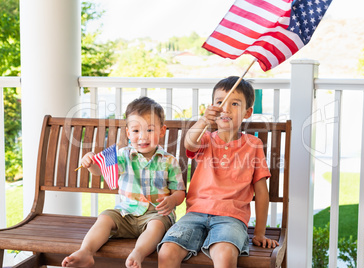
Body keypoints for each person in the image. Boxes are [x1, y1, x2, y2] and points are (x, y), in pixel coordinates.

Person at [157, 76, 279, 268]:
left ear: (247, 112)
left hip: (231, 218)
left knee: (224, 255)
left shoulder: (253, 145)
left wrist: (260, 233)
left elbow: (261, 191)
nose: (226, 108)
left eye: (235, 103)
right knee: (167, 251)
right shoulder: (205, 139)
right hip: (195, 214)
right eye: (220, 102)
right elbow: (189, 142)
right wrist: (204, 120)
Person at [62, 96, 186, 268]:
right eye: (136, 131)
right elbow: (100, 171)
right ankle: (86, 252)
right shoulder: (123, 155)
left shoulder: (169, 161)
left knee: (156, 226)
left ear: (162, 131)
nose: (142, 137)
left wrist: (172, 200)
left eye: (149, 130)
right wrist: (90, 164)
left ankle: (138, 253)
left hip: (155, 214)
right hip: (125, 213)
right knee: (105, 217)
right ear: (128, 133)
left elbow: (179, 191)